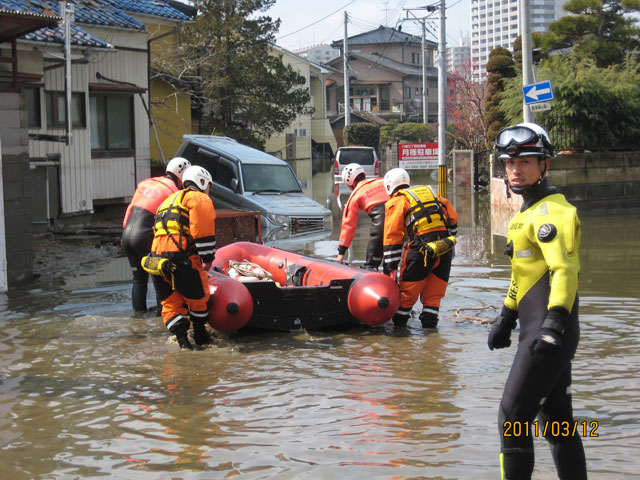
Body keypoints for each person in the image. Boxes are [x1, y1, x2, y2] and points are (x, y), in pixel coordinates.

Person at [487, 122, 586, 479]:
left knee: (512, 418)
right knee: (557, 421)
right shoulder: (523, 216)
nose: (515, 169)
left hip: (548, 334)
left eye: (526, 161)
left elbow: (564, 270)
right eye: (509, 163)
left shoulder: (553, 212)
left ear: (545, 165)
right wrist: (505, 317)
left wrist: (554, 324)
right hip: (535, 329)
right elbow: (523, 276)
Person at [150, 165, 217, 350]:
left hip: (157, 261)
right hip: (182, 257)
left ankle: (183, 342)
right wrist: (208, 257)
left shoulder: (169, 200)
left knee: (170, 304)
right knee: (199, 297)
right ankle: (200, 334)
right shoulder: (199, 198)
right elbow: (202, 231)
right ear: (203, 182)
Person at [382, 168, 458, 328]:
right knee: (434, 296)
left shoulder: (397, 201)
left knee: (406, 296)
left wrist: (390, 269)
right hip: (444, 248)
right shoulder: (432, 195)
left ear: (389, 186)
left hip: (421, 251)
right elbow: (453, 219)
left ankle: (398, 337)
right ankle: (431, 341)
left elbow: (392, 236)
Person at [121, 157, 191, 312]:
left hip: (127, 236)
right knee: (161, 276)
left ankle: (138, 317)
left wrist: (124, 235)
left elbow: (129, 210)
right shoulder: (174, 192)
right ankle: (162, 313)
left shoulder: (145, 183)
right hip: (144, 237)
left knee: (138, 279)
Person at [336, 163, 389, 270]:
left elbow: (348, 225)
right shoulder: (382, 180)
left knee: (371, 265)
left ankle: (372, 269)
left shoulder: (355, 194)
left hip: (382, 222)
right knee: (392, 260)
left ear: (349, 182)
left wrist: (341, 254)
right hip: (402, 219)